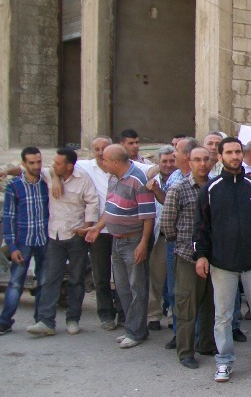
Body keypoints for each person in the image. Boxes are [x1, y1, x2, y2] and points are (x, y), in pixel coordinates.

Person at [195, 137, 251, 382]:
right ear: (220, 156)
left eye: (237, 152)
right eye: (229, 152)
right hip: (222, 263)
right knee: (223, 315)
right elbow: (201, 227)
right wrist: (201, 256)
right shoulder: (210, 189)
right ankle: (224, 360)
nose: (234, 156)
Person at [72, 136, 152, 330]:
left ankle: (136, 331)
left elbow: (148, 216)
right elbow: (110, 208)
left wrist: (143, 243)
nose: (102, 162)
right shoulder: (114, 178)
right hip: (117, 240)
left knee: (136, 288)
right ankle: (129, 327)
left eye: (106, 159)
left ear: (115, 162)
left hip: (133, 241)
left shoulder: (137, 180)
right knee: (122, 287)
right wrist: (97, 227)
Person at [26, 148, 98, 337]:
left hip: (76, 236)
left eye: (58, 163)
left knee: (76, 279)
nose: (53, 165)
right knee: (50, 279)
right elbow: (33, 169)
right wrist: (55, 177)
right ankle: (46, 321)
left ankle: (73, 319)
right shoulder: (51, 174)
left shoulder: (83, 179)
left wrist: (86, 228)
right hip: (54, 236)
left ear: (69, 166)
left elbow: (92, 203)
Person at [161, 146, 216, 370]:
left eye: (206, 159)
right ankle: (185, 351)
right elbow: (167, 223)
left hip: (213, 257)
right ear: (189, 162)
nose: (202, 164)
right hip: (187, 257)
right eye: (197, 160)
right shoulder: (179, 189)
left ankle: (206, 344)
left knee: (209, 305)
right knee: (186, 306)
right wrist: (183, 244)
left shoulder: (215, 187)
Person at [0, 147, 49, 335]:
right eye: (31, 163)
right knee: (16, 282)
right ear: (24, 164)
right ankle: (5, 321)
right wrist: (12, 247)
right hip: (23, 242)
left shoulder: (46, 182)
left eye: (39, 162)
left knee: (43, 282)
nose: (36, 166)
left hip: (44, 240)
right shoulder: (14, 186)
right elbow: (9, 218)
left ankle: (41, 320)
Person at [145, 145, 178, 333]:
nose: (168, 164)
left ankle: (173, 316)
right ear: (158, 162)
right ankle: (153, 315)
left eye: (172, 160)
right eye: (164, 161)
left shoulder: (181, 179)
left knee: (175, 281)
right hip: (158, 236)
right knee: (155, 280)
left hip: (176, 237)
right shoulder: (151, 180)